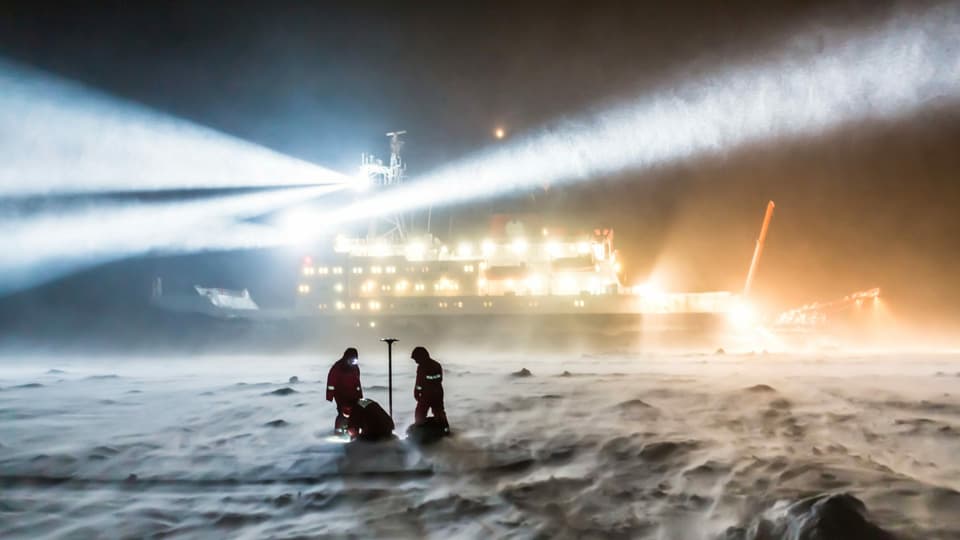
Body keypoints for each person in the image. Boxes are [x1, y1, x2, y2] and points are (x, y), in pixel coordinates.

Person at [412, 346, 449, 433]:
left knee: (438, 412)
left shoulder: (434, 365)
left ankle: (445, 430)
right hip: (428, 394)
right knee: (421, 412)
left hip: (433, 394)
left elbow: (436, 379)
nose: (416, 361)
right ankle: (420, 430)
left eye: (416, 359)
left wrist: (424, 384)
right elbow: (419, 381)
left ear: (422, 356)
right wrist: (417, 391)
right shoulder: (422, 366)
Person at [326, 347, 363, 434]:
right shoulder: (337, 367)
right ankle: (338, 432)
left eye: (355, 360)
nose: (353, 362)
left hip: (353, 394)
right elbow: (331, 383)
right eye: (352, 360)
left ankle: (354, 432)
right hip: (341, 395)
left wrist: (360, 396)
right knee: (343, 413)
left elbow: (358, 383)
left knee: (356, 412)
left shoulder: (355, 368)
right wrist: (330, 396)